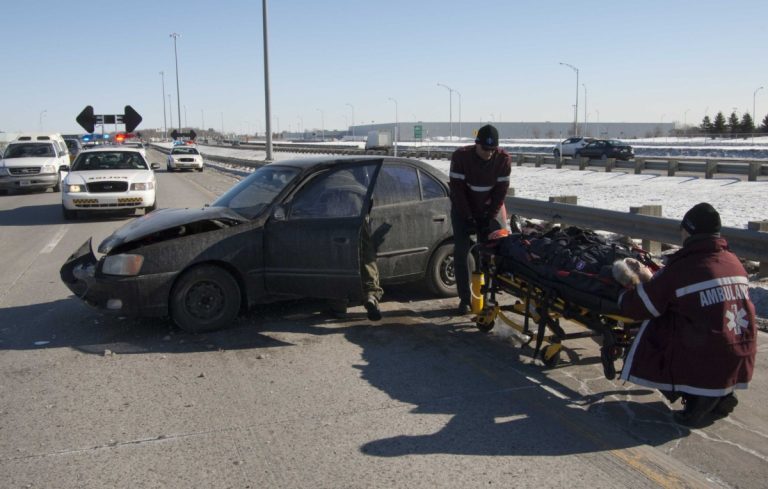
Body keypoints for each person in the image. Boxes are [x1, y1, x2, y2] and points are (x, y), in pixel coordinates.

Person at [617, 203, 757, 427]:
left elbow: (643, 305)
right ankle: (720, 395)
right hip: (740, 352)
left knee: (655, 330)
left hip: (706, 356)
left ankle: (697, 401)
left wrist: (623, 296)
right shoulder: (733, 261)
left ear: (689, 231)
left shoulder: (685, 267)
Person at [449, 124, 512, 314]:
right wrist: (468, 217)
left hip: (489, 208)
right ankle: (464, 299)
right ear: (476, 144)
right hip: (463, 208)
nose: (488, 153)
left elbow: (500, 193)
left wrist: (488, 217)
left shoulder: (503, 160)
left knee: (491, 251)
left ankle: (487, 295)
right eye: (485, 149)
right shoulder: (461, 157)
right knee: (462, 252)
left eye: (492, 149)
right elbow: (458, 192)